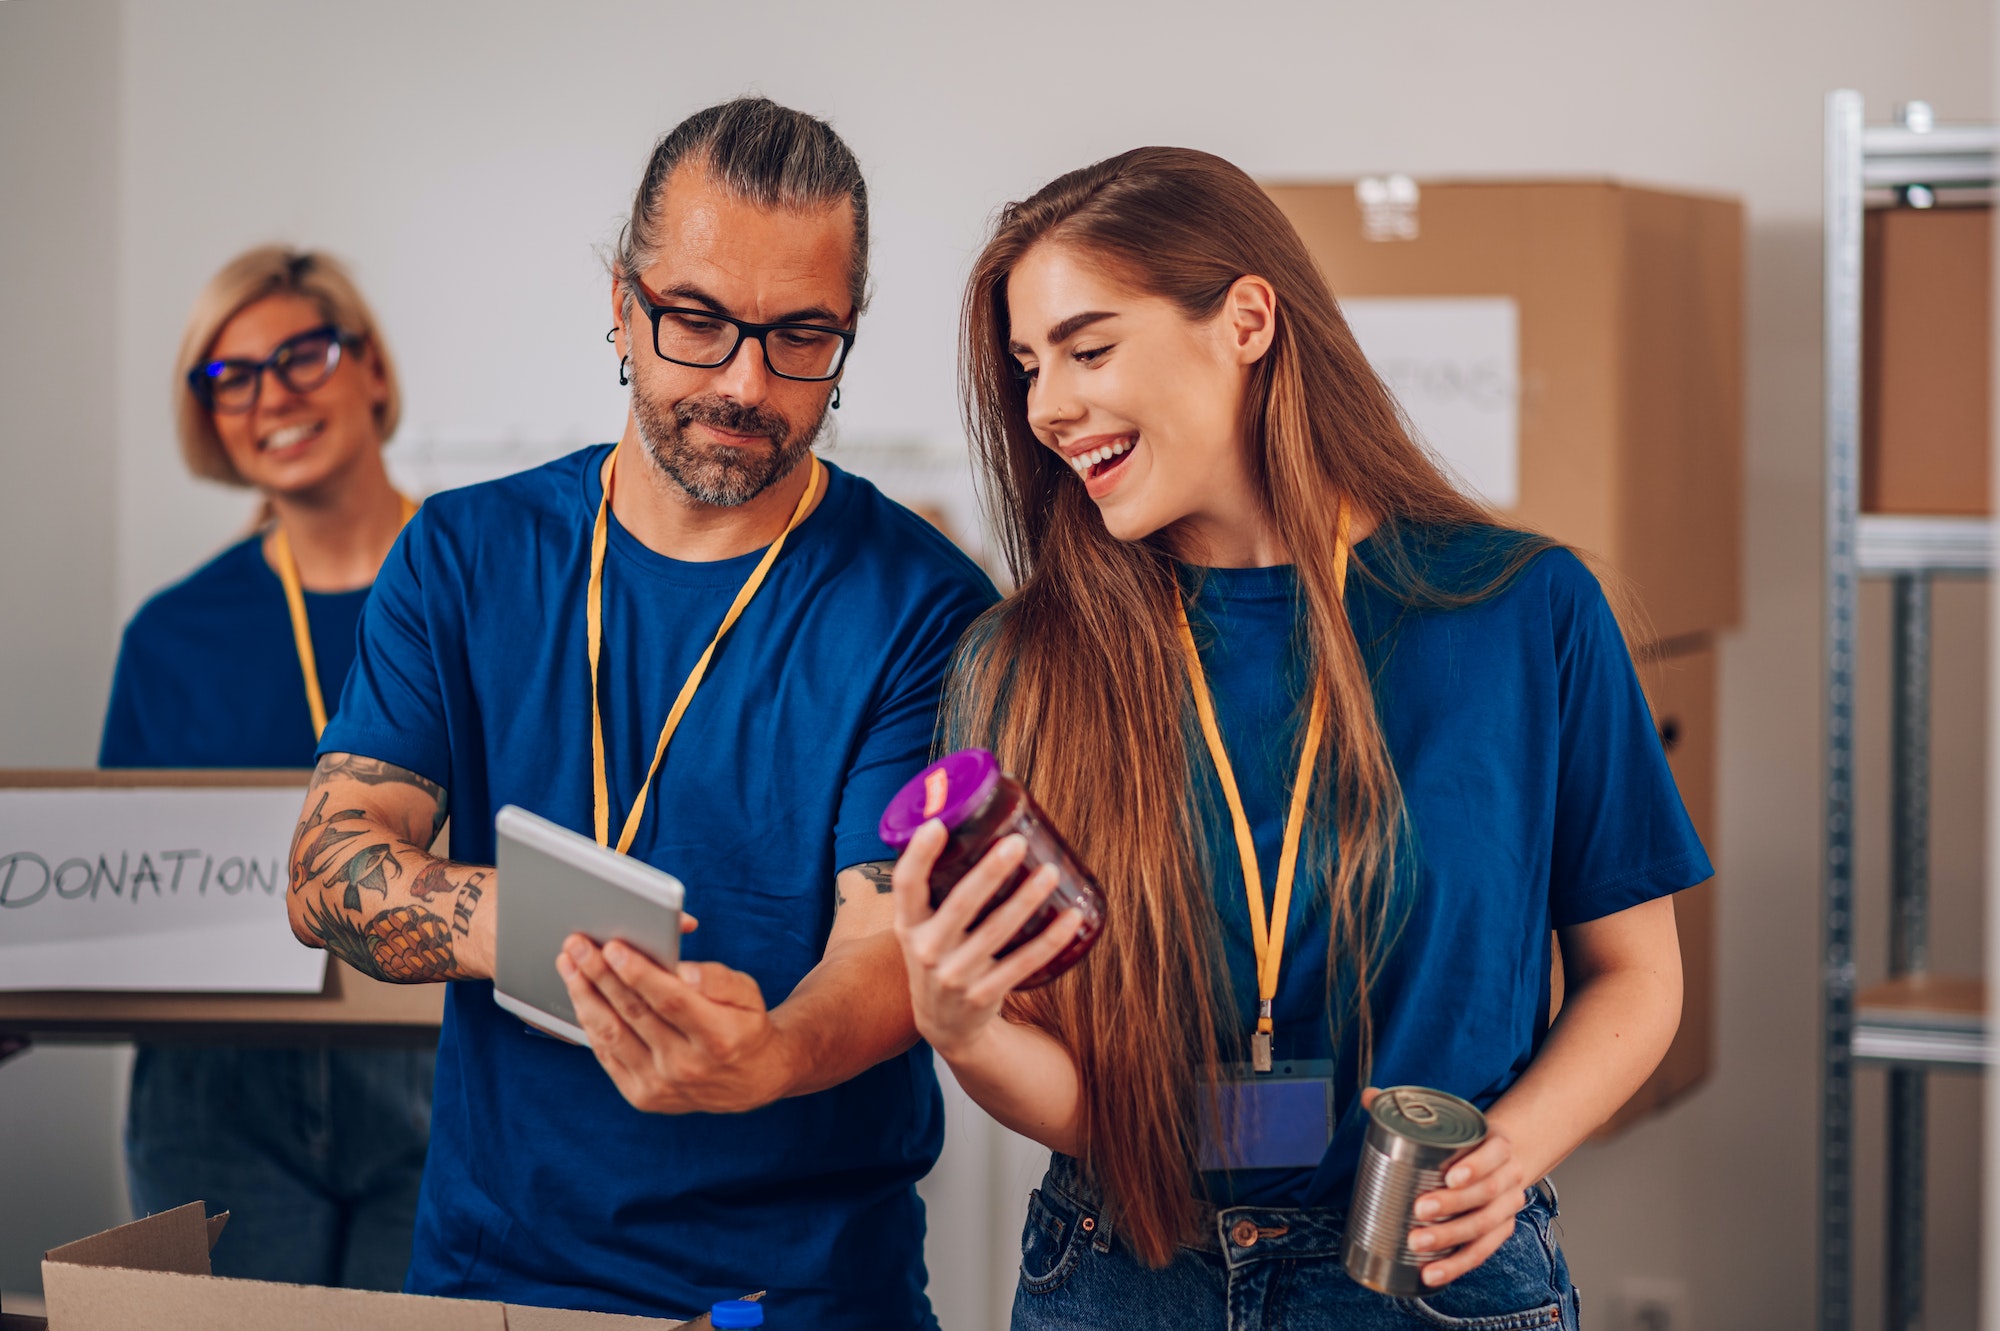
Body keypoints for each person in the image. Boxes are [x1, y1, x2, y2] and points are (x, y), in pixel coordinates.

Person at [889, 148, 1708, 1330]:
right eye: (1026, 366)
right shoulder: (1022, 666)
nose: (1046, 406)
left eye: (1087, 346)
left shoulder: (1522, 612)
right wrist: (963, 1034)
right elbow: (1079, 1096)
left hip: (1426, 1278)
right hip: (1125, 1276)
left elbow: (1636, 973)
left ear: (1245, 319)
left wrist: (1510, 1150)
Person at [283, 97, 995, 1329]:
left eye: (800, 336)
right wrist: (562, 931)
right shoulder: (460, 555)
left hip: (804, 1292)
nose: (744, 381)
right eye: (697, 320)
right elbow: (328, 867)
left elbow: (884, 947)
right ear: (621, 303)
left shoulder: (925, 606)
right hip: (494, 1283)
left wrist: (765, 1053)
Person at [100, 247, 433, 1288]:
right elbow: (115, 894)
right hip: (217, 1100)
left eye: (302, 355)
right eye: (231, 375)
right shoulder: (172, 634)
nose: (270, 396)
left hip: (441, 1072)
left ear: (370, 369)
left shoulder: (489, 596)